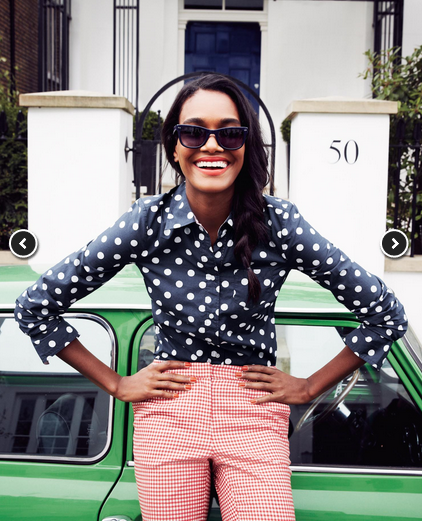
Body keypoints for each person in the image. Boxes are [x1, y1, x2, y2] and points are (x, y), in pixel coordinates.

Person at [15, 73, 407, 521]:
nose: (212, 145)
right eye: (194, 132)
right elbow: (36, 306)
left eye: (230, 132)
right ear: (174, 146)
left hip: (253, 412)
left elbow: (385, 313)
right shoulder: (147, 222)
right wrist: (118, 384)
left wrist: (309, 386)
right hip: (169, 414)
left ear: (246, 144)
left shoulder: (279, 223)